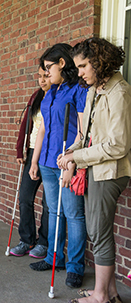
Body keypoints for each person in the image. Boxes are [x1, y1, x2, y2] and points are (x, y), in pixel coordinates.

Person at [57, 38, 131, 303]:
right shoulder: (93, 91)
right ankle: (110, 293)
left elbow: (118, 145)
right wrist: (69, 153)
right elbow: (86, 134)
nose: (80, 72)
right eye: (78, 67)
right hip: (94, 169)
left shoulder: (119, 92)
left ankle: (99, 297)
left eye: (84, 65)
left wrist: (77, 157)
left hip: (109, 172)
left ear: (100, 62)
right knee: (98, 231)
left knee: (99, 234)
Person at [29, 43, 88, 288]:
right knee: (54, 212)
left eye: (48, 68)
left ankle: (75, 267)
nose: (46, 73)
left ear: (62, 64)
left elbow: (84, 131)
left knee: (73, 214)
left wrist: (72, 163)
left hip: (67, 162)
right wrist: (34, 161)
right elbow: (42, 129)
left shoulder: (78, 90)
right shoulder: (51, 92)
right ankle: (55, 258)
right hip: (47, 162)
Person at [10, 66, 51, 258]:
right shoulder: (37, 96)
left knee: (48, 204)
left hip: (51, 153)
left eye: (46, 76)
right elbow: (26, 124)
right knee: (25, 198)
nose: (42, 80)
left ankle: (43, 243)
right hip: (33, 150)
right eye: (40, 76)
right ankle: (26, 240)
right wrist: (20, 148)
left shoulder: (60, 96)